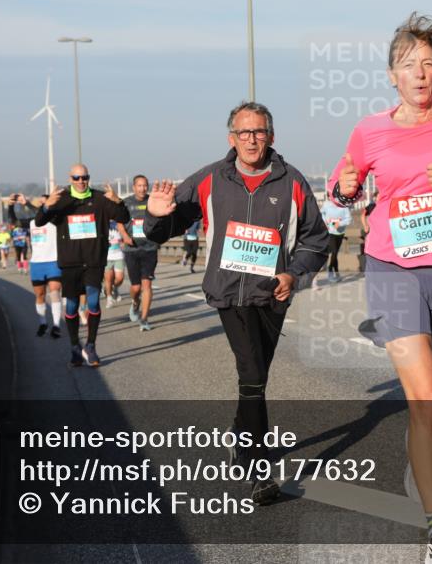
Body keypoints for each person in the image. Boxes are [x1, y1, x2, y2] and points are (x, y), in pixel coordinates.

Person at [327, 13, 432, 563]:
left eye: (429, 63)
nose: (420, 73)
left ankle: (421, 461)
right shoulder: (371, 129)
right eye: (408, 65)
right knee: (423, 403)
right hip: (392, 269)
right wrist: (345, 186)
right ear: (392, 76)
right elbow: (341, 183)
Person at [144, 101, 328, 506]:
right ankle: (259, 470)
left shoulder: (292, 181)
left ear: (271, 136)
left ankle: (239, 437)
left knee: (255, 377)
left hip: (271, 296)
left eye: (259, 132)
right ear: (232, 138)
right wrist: (155, 216)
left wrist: (293, 275)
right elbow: (165, 226)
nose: (251, 139)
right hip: (228, 293)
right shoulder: (211, 178)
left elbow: (318, 240)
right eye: (244, 133)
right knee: (253, 374)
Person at [35, 164, 130, 367]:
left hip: (94, 261)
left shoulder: (99, 199)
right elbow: (40, 221)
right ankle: (74, 347)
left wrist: (118, 201)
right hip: (70, 263)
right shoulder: (62, 201)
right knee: (71, 305)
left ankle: (91, 346)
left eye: (84, 177)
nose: (81, 181)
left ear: (88, 177)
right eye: (76, 178)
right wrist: (46, 206)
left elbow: (124, 217)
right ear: (70, 179)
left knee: (94, 302)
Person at [9, 194, 63, 338]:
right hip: (37, 263)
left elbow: (44, 213)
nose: (42, 206)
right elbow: (14, 221)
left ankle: (57, 325)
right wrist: (10, 205)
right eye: (41, 204)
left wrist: (27, 203)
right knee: (40, 294)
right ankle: (43, 323)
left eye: (45, 204)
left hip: (54, 261)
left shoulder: (56, 219)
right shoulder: (32, 222)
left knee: (55, 292)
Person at [120, 175, 159, 332]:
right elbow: (119, 222)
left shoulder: (152, 201)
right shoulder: (127, 203)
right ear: (134, 187)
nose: (143, 188)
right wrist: (124, 236)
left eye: (145, 185)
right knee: (136, 288)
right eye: (139, 185)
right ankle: (135, 303)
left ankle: (144, 319)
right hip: (132, 249)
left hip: (150, 248)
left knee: (147, 285)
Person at [319, 198, 352, 284]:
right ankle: (330, 271)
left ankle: (336, 272)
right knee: (333, 252)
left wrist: (339, 223)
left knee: (335, 253)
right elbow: (321, 213)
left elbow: (349, 219)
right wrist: (325, 222)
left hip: (340, 233)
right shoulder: (327, 204)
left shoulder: (344, 205)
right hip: (330, 232)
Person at [104, 220, 126, 308]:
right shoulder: (102, 222)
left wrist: (124, 242)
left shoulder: (120, 223)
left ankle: (114, 288)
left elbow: (126, 235)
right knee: (108, 278)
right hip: (107, 256)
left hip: (119, 255)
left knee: (120, 278)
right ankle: (109, 299)